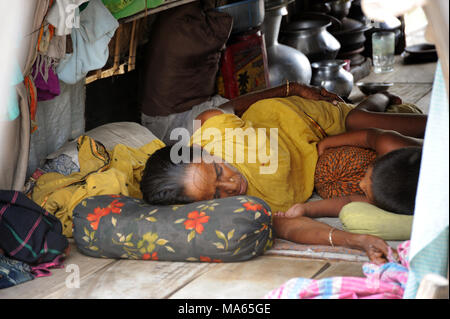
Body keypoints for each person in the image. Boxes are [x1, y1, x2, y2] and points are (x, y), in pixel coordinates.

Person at [140, 81, 427, 264]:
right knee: (381, 180)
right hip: (314, 151)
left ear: (207, 152)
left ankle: (381, 96)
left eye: (218, 169)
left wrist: (291, 88)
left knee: (357, 120)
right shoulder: (243, 209)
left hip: (303, 117)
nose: (231, 184)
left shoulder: (208, 130)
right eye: (216, 193)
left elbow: (227, 107)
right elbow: (289, 227)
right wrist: (356, 240)